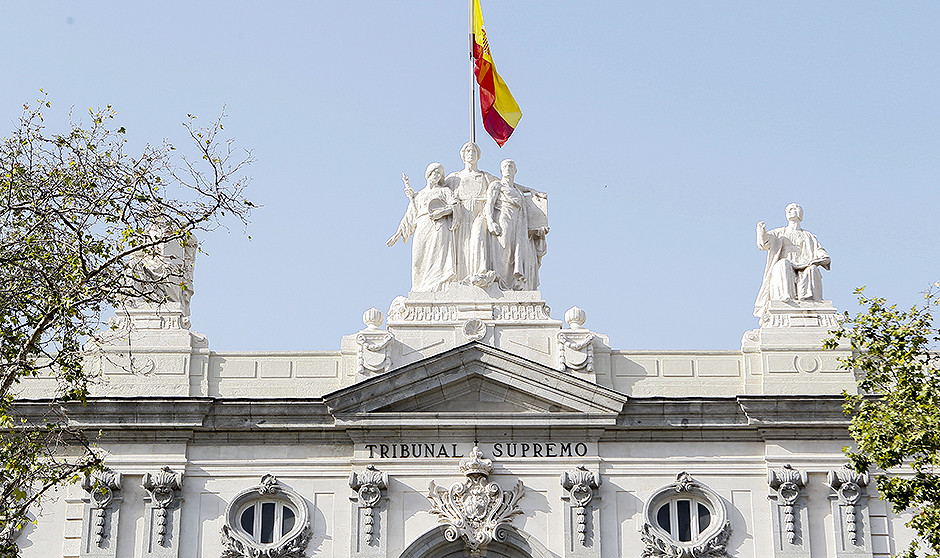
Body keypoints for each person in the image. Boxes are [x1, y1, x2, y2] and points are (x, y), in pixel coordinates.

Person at [387, 163, 458, 292]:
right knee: (418, 259)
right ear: (428, 174)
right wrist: (397, 234)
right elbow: (410, 216)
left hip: (439, 225)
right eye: (435, 172)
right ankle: (418, 288)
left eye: (440, 173)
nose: (437, 175)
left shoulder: (445, 191)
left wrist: (441, 212)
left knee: (437, 257)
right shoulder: (419, 194)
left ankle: (436, 287)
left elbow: (455, 207)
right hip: (422, 224)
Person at [754, 203, 830, 317]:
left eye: (792, 209)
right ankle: (785, 296)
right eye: (787, 210)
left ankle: (808, 299)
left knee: (812, 269)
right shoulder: (778, 233)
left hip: (804, 263)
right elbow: (765, 243)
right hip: (785, 263)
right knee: (783, 264)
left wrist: (823, 256)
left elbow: (818, 249)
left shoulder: (809, 236)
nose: (789, 212)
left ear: (799, 212)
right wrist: (762, 232)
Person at [485, 159, 545, 290]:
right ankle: (501, 283)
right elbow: (489, 204)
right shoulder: (496, 185)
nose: (508, 168)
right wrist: (490, 221)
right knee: (504, 250)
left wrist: (531, 190)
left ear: (515, 170)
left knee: (515, 252)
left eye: (511, 166)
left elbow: (514, 186)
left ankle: (512, 283)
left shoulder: (517, 189)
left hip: (518, 223)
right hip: (503, 219)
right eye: (505, 166)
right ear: (501, 170)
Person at [444, 142, 499, 285]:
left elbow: (505, 185)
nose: (470, 154)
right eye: (467, 151)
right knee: (461, 248)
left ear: (478, 155)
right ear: (462, 155)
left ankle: (480, 273)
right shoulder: (454, 178)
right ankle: (461, 279)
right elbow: (438, 191)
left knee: (478, 240)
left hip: (480, 215)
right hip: (460, 218)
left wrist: (530, 191)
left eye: (473, 151)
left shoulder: (486, 177)